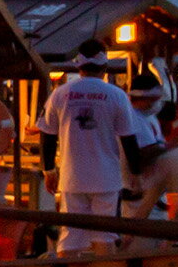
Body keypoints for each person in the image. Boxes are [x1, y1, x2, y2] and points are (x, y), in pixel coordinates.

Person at [35, 40, 143, 253]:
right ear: (105, 67)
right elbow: (129, 139)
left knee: (70, 236)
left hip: (72, 177)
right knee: (105, 235)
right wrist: (136, 173)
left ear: (79, 65)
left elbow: (47, 135)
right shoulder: (117, 95)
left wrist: (49, 170)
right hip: (106, 178)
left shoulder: (60, 93)